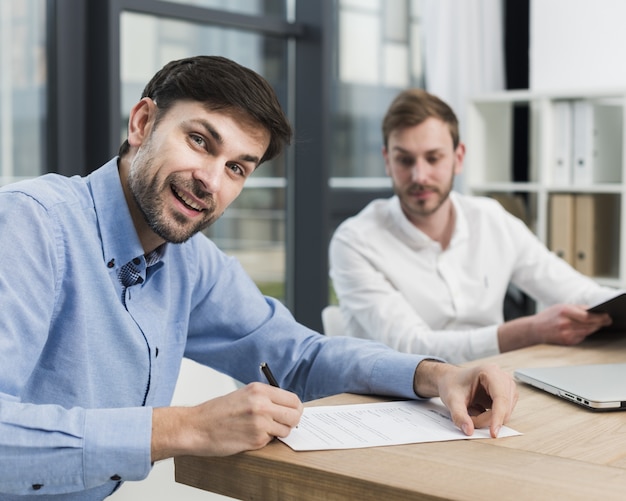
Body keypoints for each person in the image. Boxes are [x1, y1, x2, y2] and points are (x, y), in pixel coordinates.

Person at [0, 57, 517, 500]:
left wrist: (439, 376)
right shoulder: (31, 226)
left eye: (237, 169)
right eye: (200, 141)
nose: (210, 180)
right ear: (142, 123)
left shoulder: (190, 262)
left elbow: (300, 356)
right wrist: (187, 427)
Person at [329, 88, 617, 365]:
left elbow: (576, 292)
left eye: (433, 158)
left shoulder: (490, 218)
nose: (420, 175)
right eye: (404, 160)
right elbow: (412, 347)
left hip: (495, 384)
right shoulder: (355, 241)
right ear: (387, 162)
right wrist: (529, 331)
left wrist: (616, 305)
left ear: (458, 158)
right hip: (399, 398)